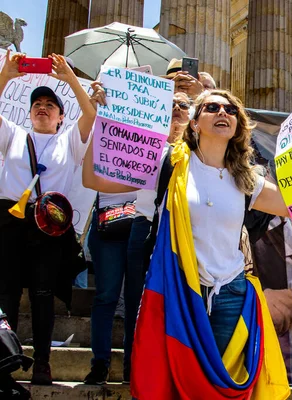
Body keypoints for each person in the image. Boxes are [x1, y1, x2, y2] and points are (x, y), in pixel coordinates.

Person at [83, 89, 292, 396]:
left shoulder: (247, 179)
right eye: (212, 107)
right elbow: (95, 180)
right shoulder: (168, 163)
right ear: (194, 123)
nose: (222, 112)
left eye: (230, 110)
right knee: (174, 384)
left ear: (238, 125)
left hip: (230, 294)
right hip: (177, 292)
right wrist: (98, 123)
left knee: (216, 387)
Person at [0, 51, 99, 385]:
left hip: (48, 226)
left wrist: (69, 78)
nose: (43, 107)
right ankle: (5, 361)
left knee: (43, 294)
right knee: (8, 293)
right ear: (30, 114)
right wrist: (6, 76)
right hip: (11, 222)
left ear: (60, 117)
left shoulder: (69, 139)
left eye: (50, 105)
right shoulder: (13, 134)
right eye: (37, 104)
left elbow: (90, 113)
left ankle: (42, 361)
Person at [83, 91, 193, 385]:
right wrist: (102, 122)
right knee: (137, 305)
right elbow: (95, 179)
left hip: (187, 234)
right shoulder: (145, 147)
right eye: (170, 105)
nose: (177, 110)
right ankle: (134, 372)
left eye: (184, 105)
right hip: (144, 230)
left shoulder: (202, 153)